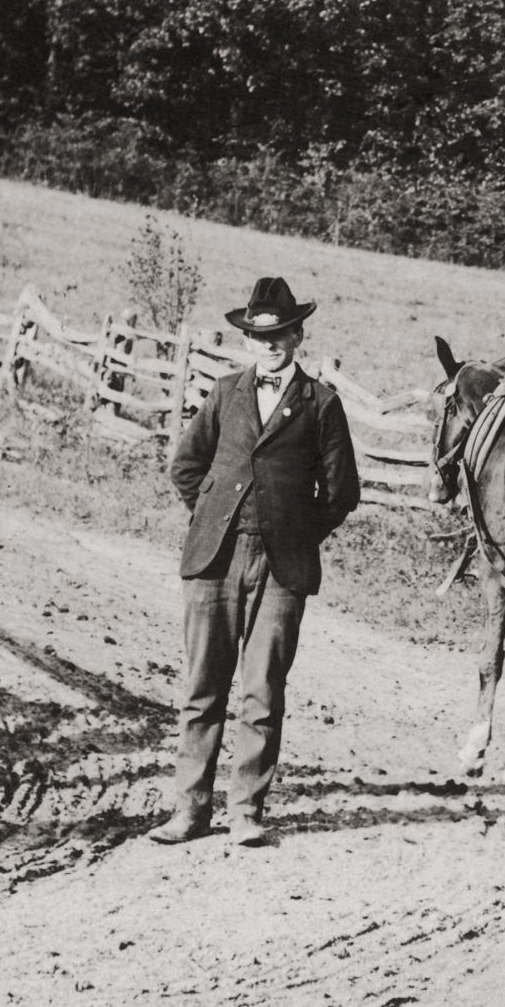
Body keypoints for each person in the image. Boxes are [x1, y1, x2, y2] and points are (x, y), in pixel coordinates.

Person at [151, 274, 360, 846]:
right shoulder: (226, 393)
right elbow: (185, 467)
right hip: (214, 560)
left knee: (262, 693)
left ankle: (245, 811)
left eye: (281, 334)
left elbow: (342, 495)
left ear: (297, 337)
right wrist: (211, 515)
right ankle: (189, 812)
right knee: (201, 690)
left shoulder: (321, 403)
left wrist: (292, 532)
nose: (270, 345)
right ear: (246, 340)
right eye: (259, 335)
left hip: (281, 569)